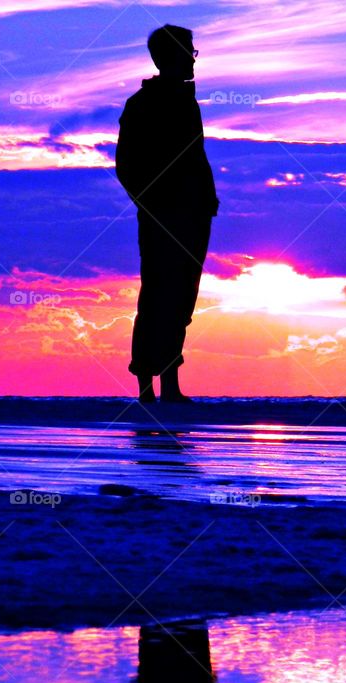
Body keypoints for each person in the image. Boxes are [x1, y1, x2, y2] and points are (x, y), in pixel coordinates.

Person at [116, 24, 219, 403]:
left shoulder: (185, 102)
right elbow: (126, 164)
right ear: (169, 57)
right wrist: (151, 202)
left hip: (193, 212)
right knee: (159, 293)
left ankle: (170, 386)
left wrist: (206, 198)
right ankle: (147, 386)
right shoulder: (143, 105)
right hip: (163, 214)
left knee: (180, 296)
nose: (193, 59)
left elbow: (195, 157)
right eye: (189, 52)